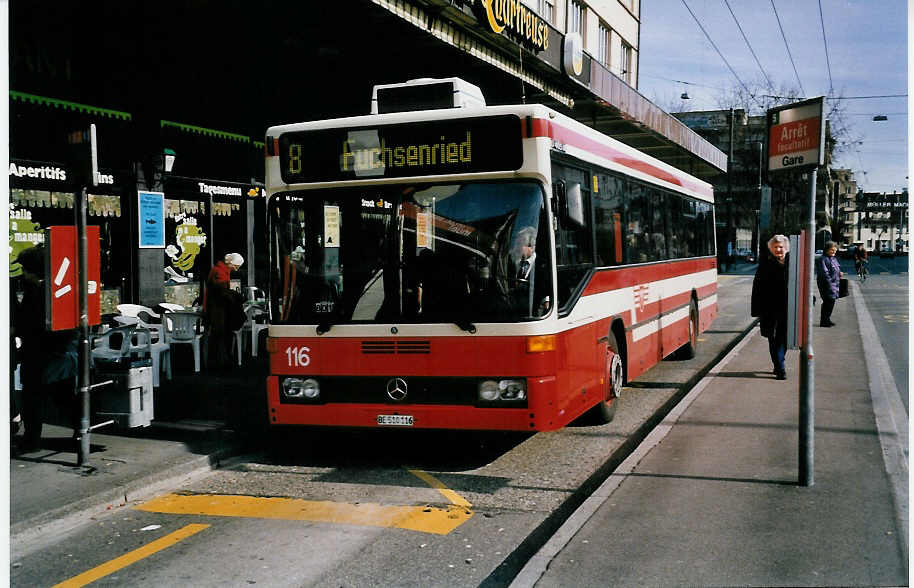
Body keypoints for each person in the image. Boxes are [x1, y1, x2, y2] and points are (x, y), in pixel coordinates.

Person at [15, 246, 79, 450]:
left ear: (32, 270)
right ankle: (80, 432)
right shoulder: (57, 288)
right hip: (61, 353)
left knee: (33, 399)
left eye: (25, 269)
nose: (22, 273)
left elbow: (26, 323)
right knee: (64, 397)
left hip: (40, 354)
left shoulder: (36, 293)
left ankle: (32, 440)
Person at [751, 235, 790, 380]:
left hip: (788, 309)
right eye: (775, 247)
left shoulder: (792, 264)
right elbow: (757, 288)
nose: (778, 250)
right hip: (770, 310)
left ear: (786, 248)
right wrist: (757, 310)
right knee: (773, 339)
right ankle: (780, 367)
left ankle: (778, 363)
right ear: (771, 249)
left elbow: (802, 283)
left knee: (785, 339)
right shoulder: (765, 265)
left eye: (781, 247)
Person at [204, 253, 245, 368]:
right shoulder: (220, 272)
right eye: (236, 266)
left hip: (217, 308)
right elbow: (222, 292)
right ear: (230, 264)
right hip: (217, 309)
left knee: (218, 335)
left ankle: (219, 361)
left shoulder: (220, 270)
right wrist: (235, 297)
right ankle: (219, 363)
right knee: (219, 335)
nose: (236, 269)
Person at [817, 241, 843, 327]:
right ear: (827, 250)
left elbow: (837, 268)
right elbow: (824, 273)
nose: (833, 252)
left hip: (834, 284)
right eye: (832, 250)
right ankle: (824, 321)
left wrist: (840, 273)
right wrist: (830, 285)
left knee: (831, 302)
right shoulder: (823, 259)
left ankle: (827, 319)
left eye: (835, 250)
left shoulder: (833, 259)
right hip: (827, 285)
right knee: (828, 302)